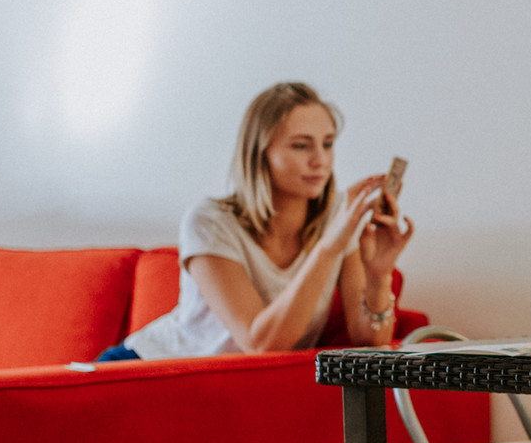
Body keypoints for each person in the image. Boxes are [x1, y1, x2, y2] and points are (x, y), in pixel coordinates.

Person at [100, 82, 413, 361]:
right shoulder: (209, 222)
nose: (320, 160)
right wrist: (328, 248)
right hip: (154, 367)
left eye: (327, 144)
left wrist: (378, 273)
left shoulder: (337, 220)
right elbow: (260, 345)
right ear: (260, 151)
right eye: (301, 145)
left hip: (237, 391)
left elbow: (370, 341)